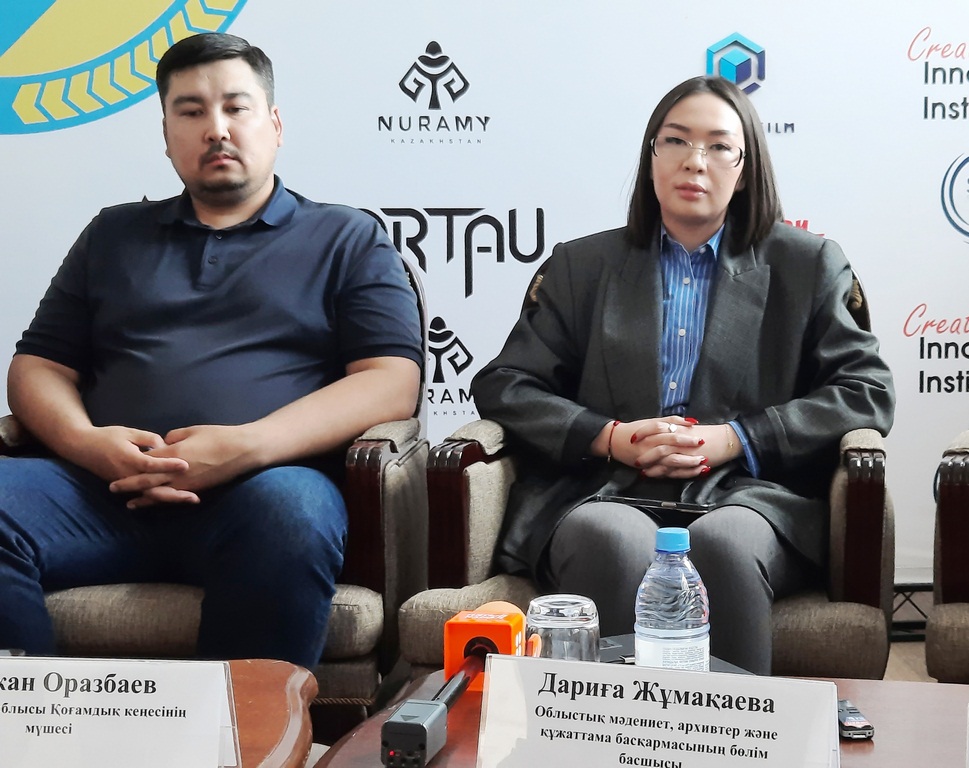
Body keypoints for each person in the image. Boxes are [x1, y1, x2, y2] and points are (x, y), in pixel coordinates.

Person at [0, 33, 423, 669]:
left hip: (260, 490)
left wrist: (244, 447)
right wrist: (87, 444)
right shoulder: (112, 234)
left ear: (274, 124)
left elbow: (390, 380)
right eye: (192, 111)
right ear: (166, 134)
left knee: (291, 513)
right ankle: (31, 717)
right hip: (100, 491)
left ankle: (243, 727)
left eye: (236, 107)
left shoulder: (346, 237)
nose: (216, 129)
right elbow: (38, 366)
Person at [471, 75, 895, 675]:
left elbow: (866, 391)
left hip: (749, 496)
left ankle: (737, 729)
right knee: (610, 539)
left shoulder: (807, 265)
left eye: (719, 146)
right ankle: (603, 728)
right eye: (675, 141)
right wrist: (609, 436)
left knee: (724, 545)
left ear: (744, 171)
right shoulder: (581, 265)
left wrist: (736, 438)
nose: (695, 161)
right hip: (606, 488)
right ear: (651, 157)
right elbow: (506, 383)